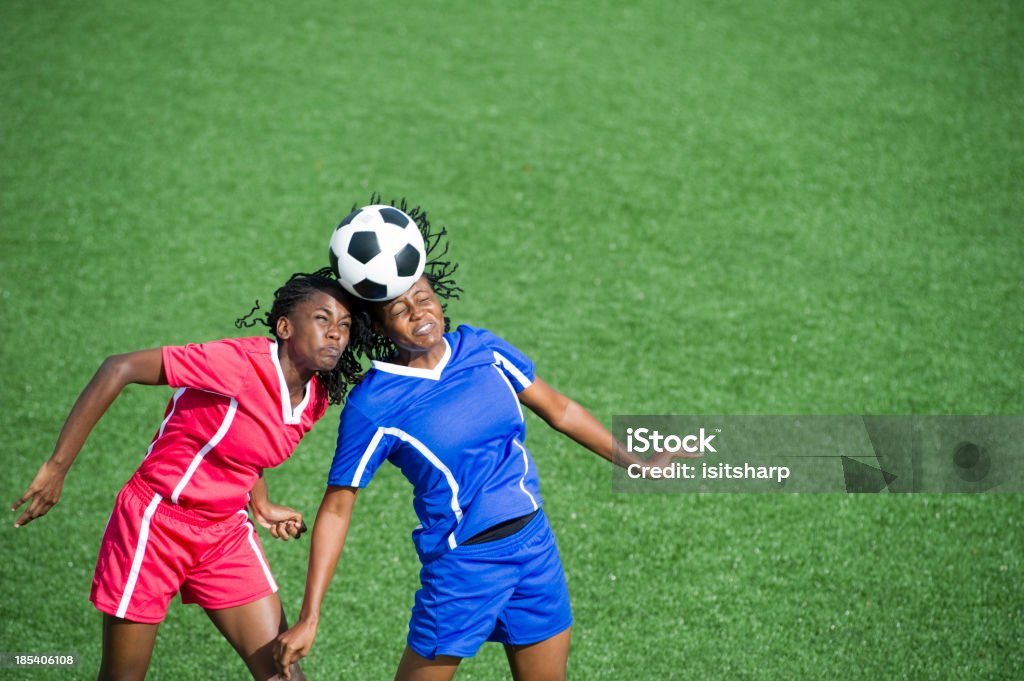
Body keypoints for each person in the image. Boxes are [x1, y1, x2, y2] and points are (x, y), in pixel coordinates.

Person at [273, 204, 696, 681]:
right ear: (380, 327)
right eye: (400, 309)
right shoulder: (376, 403)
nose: (419, 314)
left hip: (534, 549)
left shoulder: (483, 349)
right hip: (463, 567)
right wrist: (310, 615)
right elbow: (337, 506)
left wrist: (634, 461)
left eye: (424, 298)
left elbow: (561, 410)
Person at [11, 270, 364, 681]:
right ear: (285, 327)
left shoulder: (316, 398)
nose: (335, 334)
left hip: (223, 535)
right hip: (155, 525)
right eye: (322, 320)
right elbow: (119, 367)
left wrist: (260, 502)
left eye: (344, 325)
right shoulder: (236, 364)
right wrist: (57, 468)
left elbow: (243, 449)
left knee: (283, 673)